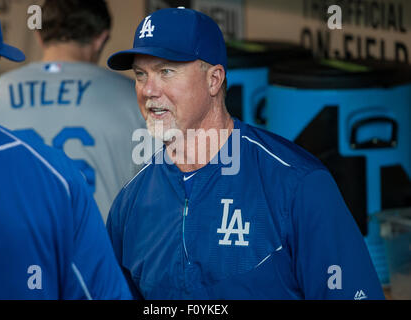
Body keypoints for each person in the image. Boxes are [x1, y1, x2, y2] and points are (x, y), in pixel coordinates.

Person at [105, 7, 385, 300]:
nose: (149, 90)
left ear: (214, 80)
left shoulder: (295, 184)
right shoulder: (131, 203)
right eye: (140, 75)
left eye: (166, 72)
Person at [0, 0, 132, 300]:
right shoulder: (137, 100)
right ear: (101, 38)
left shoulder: (2, 95)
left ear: (39, 35)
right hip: (86, 262)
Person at [0, 0, 146, 222]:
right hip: (102, 251)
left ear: (39, 35)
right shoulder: (138, 95)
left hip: (16, 248)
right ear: (101, 38)